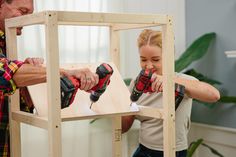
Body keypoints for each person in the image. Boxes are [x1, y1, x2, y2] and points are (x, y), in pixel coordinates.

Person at [0, 0, 99, 156]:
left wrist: (28, 76)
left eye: (29, 14)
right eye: (22, 11)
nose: (25, 20)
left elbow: (14, 100)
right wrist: (64, 72)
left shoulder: (6, 43)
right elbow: (3, 74)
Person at [122, 29, 220, 157]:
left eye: (156, 59)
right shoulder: (136, 83)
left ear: (169, 57)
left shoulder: (182, 81)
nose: (149, 65)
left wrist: (168, 80)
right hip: (143, 150)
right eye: (143, 59)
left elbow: (214, 95)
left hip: (173, 152)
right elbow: (123, 128)